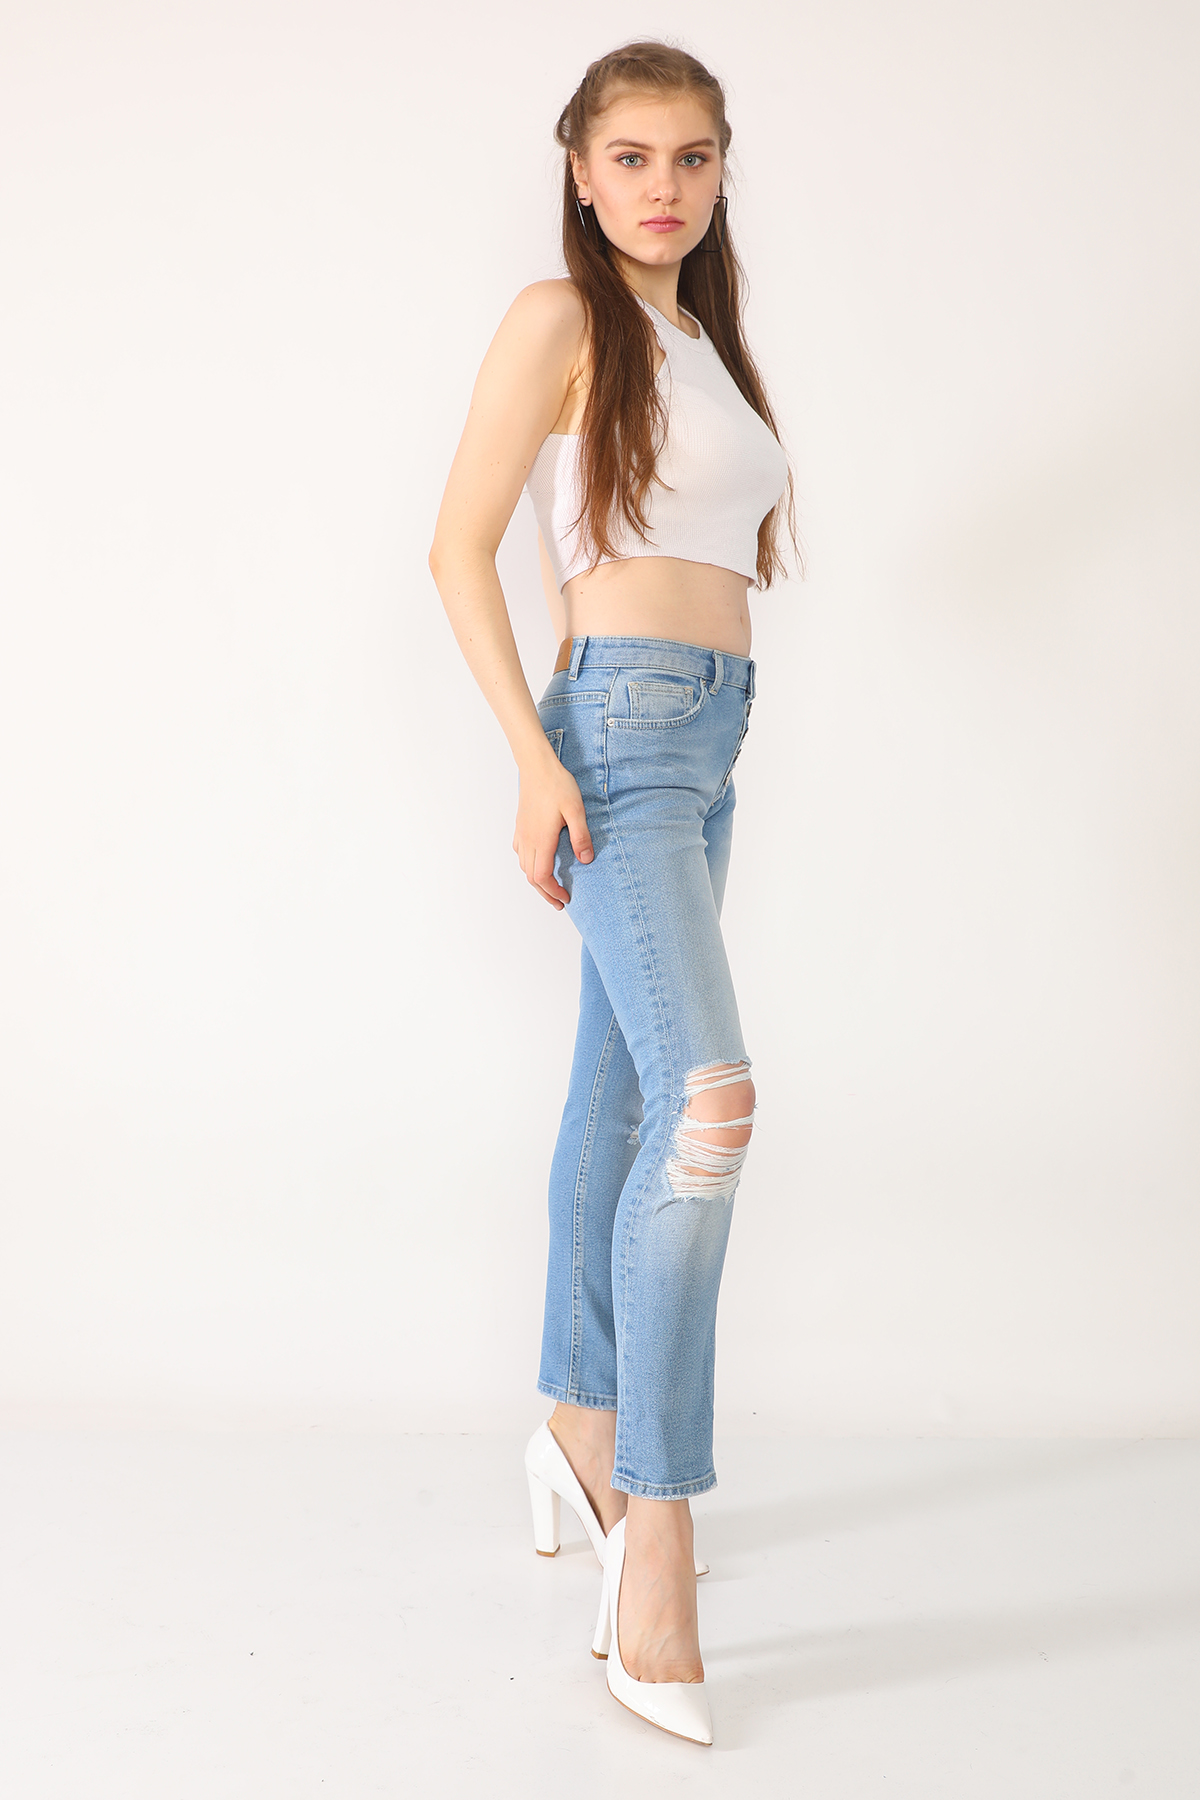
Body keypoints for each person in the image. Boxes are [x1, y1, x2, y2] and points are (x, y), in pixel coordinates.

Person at [428, 40, 794, 1745]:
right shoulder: (558, 319)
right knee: (711, 1104)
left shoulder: (702, 340)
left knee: (630, 1093)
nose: (664, 186)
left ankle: (580, 1423)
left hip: (710, 737)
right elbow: (459, 543)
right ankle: (656, 1529)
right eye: (633, 156)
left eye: (693, 157)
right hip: (622, 732)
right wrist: (534, 754)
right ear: (579, 169)